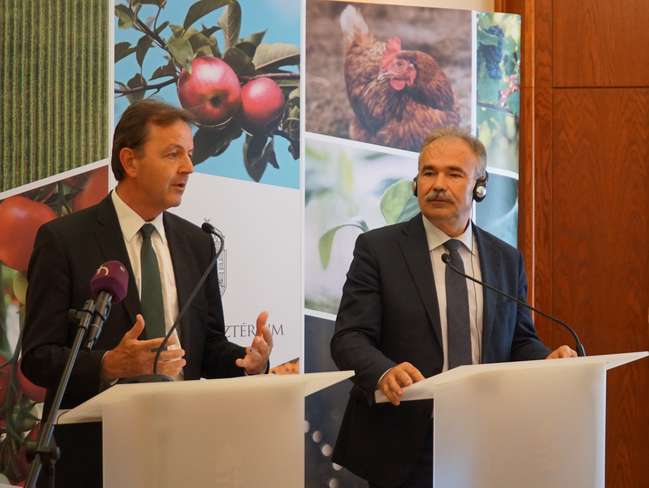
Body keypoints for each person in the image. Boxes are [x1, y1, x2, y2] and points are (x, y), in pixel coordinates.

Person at [21, 99, 272, 488]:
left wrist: (249, 362)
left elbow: (207, 349)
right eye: (173, 154)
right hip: (94, 457)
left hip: (180, 452)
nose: (188, 168)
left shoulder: (196, 243)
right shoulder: (64, 240)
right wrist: (109, 365)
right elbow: (37, 359)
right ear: (130, 161)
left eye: (189, 155)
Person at [330, 127, 576, 488]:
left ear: (480, 186)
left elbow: (518, 341)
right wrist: (384, 372)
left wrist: (545, 360)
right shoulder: (378, 250)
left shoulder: (506, 260)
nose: (438, 184)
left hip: (485, 437)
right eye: (429, 172)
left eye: (454, 173)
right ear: (416, 183)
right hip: (405, 439)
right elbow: (349, 338)